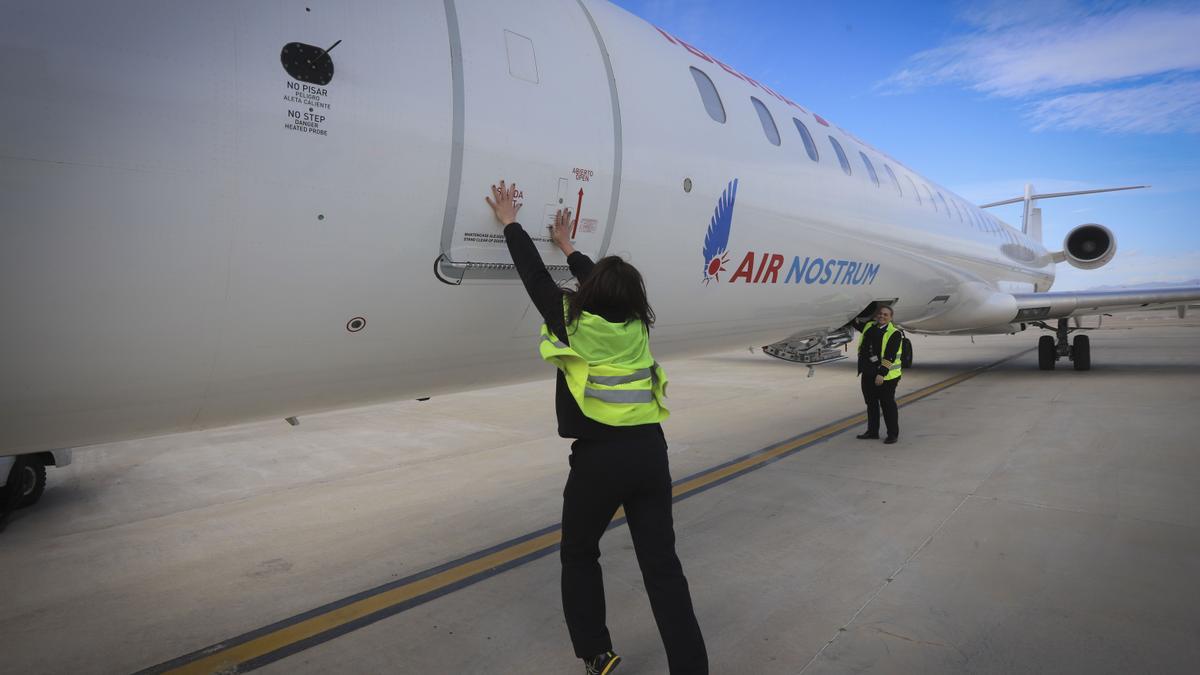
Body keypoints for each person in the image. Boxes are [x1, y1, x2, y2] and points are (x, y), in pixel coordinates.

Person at [486, 180, 708, 675]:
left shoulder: (571, 318)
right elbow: (600, 283)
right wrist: (569, 247)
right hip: (650, 453)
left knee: (580, 552)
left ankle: (597, 653)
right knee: (663, 567)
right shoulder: (636, 324)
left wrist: (510, 222)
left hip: (599, 459)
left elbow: (533, 276)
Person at [856, 305, 904, 444]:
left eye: (885, 315)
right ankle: (872, 431)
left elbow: (890, 356)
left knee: (887, 404)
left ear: (891, 317)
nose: (882, 316)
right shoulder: (870, 327)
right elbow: (856, 323)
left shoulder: (894, 333)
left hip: (886, 376)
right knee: (871, 404)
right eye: (880, 314)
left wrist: (881, 374)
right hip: (868, 372)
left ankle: (892, 434)